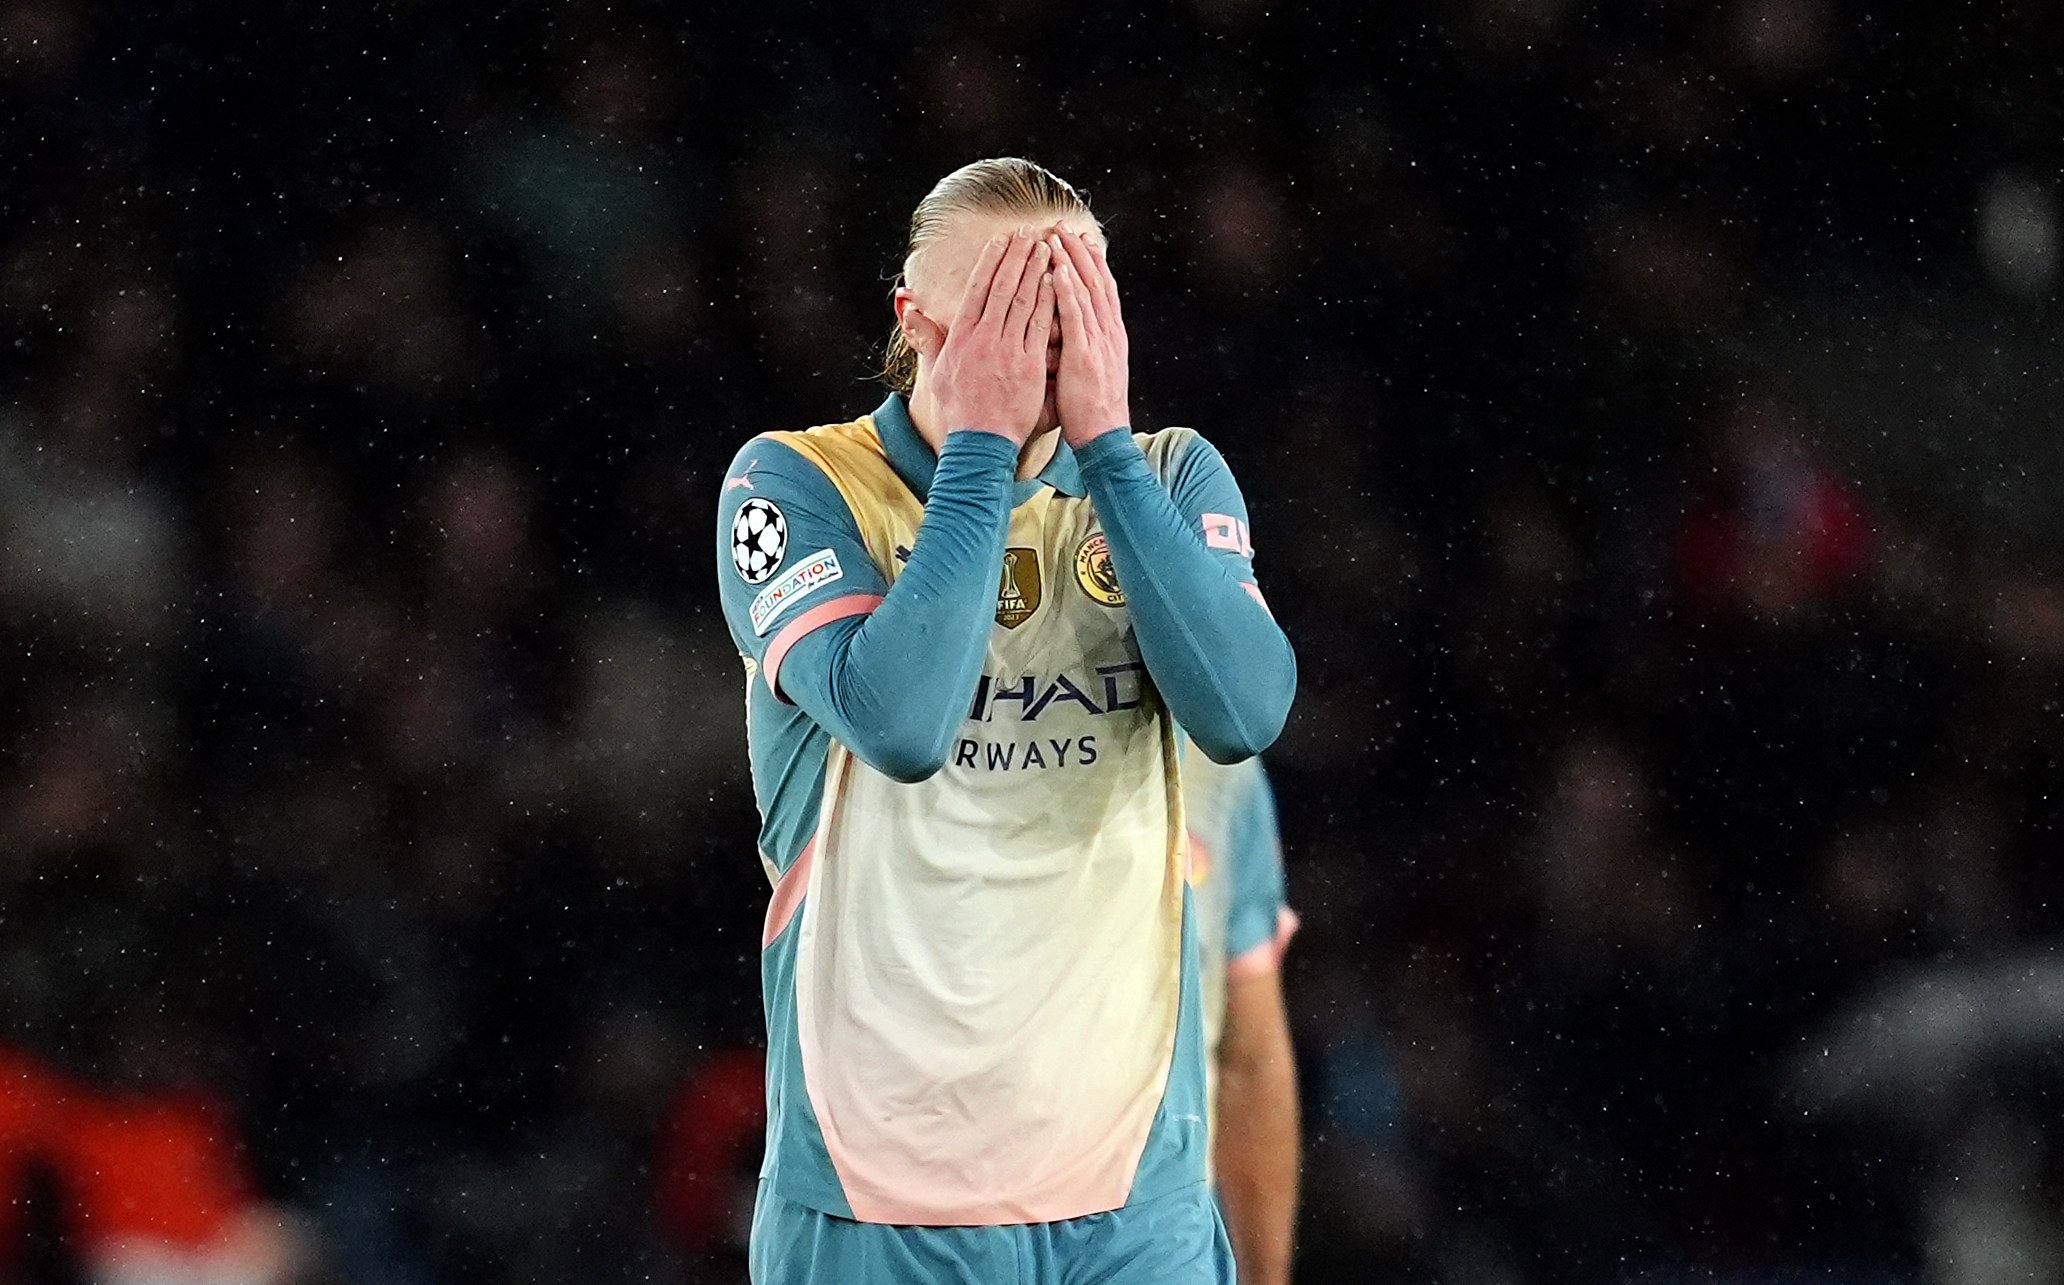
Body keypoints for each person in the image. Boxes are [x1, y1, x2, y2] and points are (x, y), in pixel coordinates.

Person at [714, 157, 1296, 1284]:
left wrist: (1111, 454)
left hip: (1136, 1193)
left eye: (1068, 298)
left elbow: (1242, 712)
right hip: (885, 1196)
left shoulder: (1171, 476)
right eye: (1002, 305)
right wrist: (978, 453)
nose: (1038, 334)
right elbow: (905, 722)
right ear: (915, 319)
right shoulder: (792, 483)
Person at [1184, 744, 1301, 1285]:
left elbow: (1248, 1061)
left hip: (1160, 1237)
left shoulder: (1220, 761)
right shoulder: (922, 739)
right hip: (954, 1215)